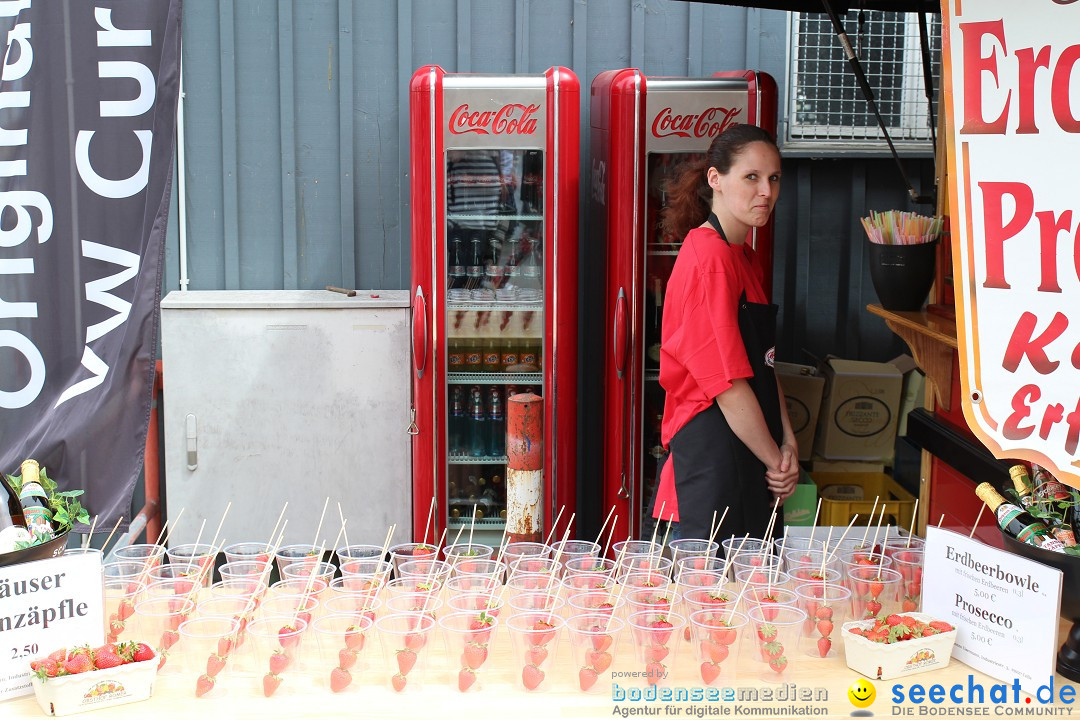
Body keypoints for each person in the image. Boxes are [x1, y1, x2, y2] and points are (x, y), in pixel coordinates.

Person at [651, 124, 800, 544]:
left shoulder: (742, 256)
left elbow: (764, 367)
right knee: (709, 605)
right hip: (712, 464)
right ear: (716, 179)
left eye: (774, 179)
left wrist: (788, 445)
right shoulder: (708, 259)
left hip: (753, 454)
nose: (766, 191)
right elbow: (727, 384)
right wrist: (776, 459)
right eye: (751, 177)